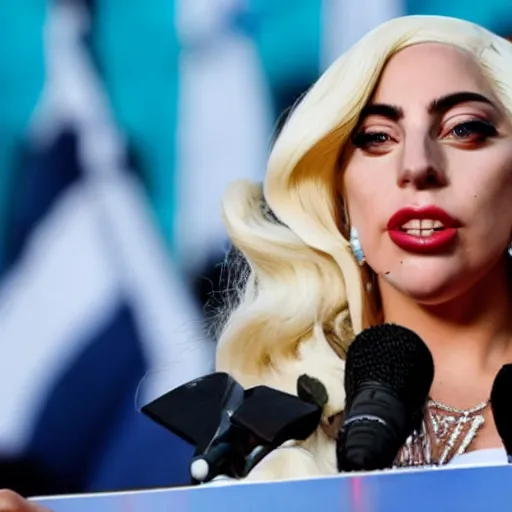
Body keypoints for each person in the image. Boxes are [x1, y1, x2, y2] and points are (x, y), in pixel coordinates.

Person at [4, 12, 512, 510]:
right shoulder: (267, 432)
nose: (418, 166)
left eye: (463, 129)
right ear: (339, 199)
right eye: (377, 138)